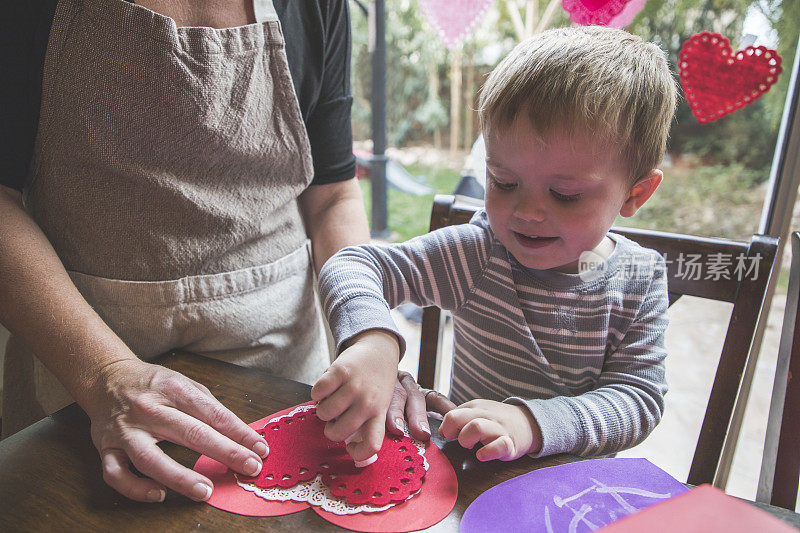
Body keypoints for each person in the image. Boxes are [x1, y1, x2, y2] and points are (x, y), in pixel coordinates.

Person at [0, 0, 377, 504]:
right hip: (77, 384)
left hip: (281, 382)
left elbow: (333, 196)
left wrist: (365, 332)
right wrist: (104, 374)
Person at [311, 26, 677, 464]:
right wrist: (374, 339)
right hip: (468, 478)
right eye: (504, 182)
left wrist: (531, 423)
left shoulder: (640, 279)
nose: (527, 212)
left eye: (565, 195)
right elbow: (353, 264)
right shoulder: (478, 254)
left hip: (571, 496)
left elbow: (639, 399)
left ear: (636, 194)